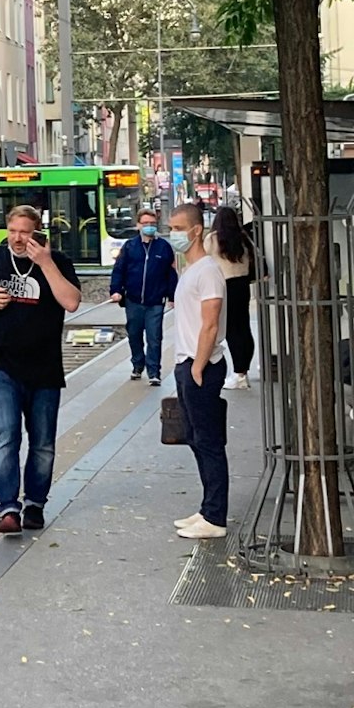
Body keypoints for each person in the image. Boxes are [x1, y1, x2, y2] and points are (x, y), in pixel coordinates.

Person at [0, 204, 84, 535]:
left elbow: (71, 301)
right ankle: (8, 509)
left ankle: (35, 505)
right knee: (6, 436)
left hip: (44, 367)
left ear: (38, 233)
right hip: (2, 365)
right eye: (12, 231)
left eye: (25, 232)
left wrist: (45, 262)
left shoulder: (57, 263)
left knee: (42, 443)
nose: (17, 238)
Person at [168, 200, 229, 542]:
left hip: (200, 365)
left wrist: (199, 367)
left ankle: (215, 515)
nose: (172, 234)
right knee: (195, 438)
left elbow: (210, 323)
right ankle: (207, 508)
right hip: (187, 363)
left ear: (196, 231)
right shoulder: (190, 270)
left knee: (208, 442)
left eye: (178, 229)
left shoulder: (207, 271)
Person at [108, 207, 176, 385]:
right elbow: (119, 270)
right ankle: (138, 365)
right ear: (138, 225)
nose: (149, 227)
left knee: (155, 337)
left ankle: (154, 372)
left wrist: (172, 296)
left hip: (155, 302)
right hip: (133, 300)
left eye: (153, 224)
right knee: (134, 334)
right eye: (146, 223)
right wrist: (116, 290)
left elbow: (170, 274)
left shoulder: (164, 247)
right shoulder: (130, 247)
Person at [211, 202, 256, 388]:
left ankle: (238, 374)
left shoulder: (213, 239)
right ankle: (243, 371)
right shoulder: (243, 238)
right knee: (243, 328)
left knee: (230, 330)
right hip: (243, 285)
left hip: (224, 285)